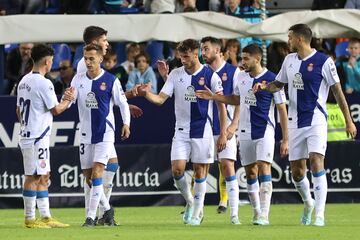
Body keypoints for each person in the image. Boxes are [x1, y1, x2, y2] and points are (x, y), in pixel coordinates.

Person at [252, 24, 357, 226]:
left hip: (316, 119)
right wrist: (264, 87)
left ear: (300, 39)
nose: (288, 41)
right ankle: (308, 203)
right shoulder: (289, 61)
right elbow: (278, 84)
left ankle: (319, 214)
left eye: (290, 37)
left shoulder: (324, 61)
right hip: (294, 122)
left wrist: (349, 121)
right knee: (297, 172)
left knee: (316, 160)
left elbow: (338, 92)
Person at [196, 43, 289, 225]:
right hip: (244, 131)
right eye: (242, 58)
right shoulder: (242, 78)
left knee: (264, 167)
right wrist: (215, 97)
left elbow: (282, 110)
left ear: (257, 59)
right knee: (250, 173)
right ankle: (256, 212)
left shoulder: (272, 79)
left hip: (265, 130)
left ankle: (264, 214)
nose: (242, 62)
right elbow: (236, 99)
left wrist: (285, 139)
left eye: (246, 58)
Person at [138, 39, 227, 226]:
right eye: (180, 56)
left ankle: (197, 213)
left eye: (186, 56)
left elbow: (221, 105)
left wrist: (223, 132)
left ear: (196, 54)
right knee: (177, 169)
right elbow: (161, 99)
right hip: (181, 130)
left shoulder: (210, 75)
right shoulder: (175, 74)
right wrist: (146, 94)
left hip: (203, 129)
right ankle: (190, 201)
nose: (182, 59)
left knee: (200, 171)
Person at [77, 25, 142, 224]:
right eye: (104, 40)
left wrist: (125, 102)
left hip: (104, 127)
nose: (107, 43)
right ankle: (101, 212)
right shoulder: (83, 67)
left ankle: (100, 213)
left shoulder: (105, 73)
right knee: (93, 175)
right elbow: (91, 96)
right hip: (93, 127)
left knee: (110, 166)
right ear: (95, 42)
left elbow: (105, 96)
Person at [71, 43, 131, 227]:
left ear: (100, 59)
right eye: (86, 59)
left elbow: (123, 103)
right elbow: (70, 100)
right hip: (85, 133)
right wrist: (65, 100)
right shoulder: (77, 80)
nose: (88, 62)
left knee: (98, 173)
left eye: (92, 59)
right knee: (89, 179)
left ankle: (89, 218)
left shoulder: (111, 80)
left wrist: (126, 123)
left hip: (105, 132)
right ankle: (107, 209)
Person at [17, 44, 73, 228]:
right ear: (48, 62)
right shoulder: (44, 82)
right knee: (32, 176)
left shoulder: (24, 81)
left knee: (43, 175)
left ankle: (46, 216)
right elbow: (56, 109)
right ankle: (30, 218)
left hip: (33, 135)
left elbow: (18, 110)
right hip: (36, 137)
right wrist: (68, 100)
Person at [200, 36, 241, 223]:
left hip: (227, 126)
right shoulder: (202, 72)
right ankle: (195, 211)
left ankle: (234, 213)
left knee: (227, 166)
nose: (203, 53)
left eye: (206, 49)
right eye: (201, 49)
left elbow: (239, 100)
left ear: (217, 50)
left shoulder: (234, 72)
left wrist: (233, 126)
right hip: (206, 128)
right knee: (200, 168)